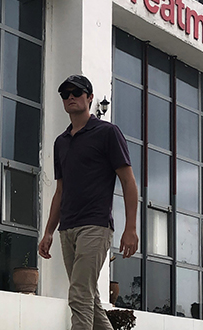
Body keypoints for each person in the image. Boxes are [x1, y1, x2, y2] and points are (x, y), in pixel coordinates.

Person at [38, 75, 139, 330]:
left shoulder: (107, 133)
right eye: (65, 94)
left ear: (90, 97)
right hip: (67, 229)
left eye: (77, 92)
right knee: (89, 299)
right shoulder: (61, 142)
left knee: (79, 297)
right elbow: (60, 191)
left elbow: (128, 182)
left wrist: (130, 228)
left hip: (95, 226)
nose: (70, 96)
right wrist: (48, 231)